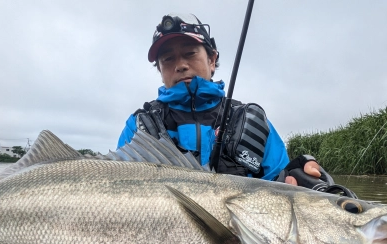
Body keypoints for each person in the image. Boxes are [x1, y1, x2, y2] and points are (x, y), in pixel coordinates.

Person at [116, 13, 325, 187]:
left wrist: (299, 174)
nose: (180, 65)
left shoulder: (253, 122)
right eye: (168, 59)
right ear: (160, 70)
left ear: (212, 59)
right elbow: (118, 187)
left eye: (189, 53)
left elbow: (281, 186)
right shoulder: (138, 126)